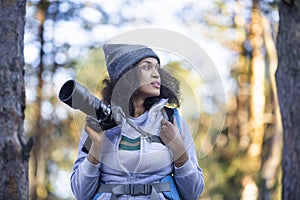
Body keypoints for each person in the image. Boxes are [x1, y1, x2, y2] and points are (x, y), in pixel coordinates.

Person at [70, 44, 205, 200]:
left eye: (157, 68)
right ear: (127, 75)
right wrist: (96, 147)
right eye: (147, 67)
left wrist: (178, 149)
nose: (156, 74)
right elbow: (81, 192)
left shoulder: (173, 121)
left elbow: (193, 192)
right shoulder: (99, 123)